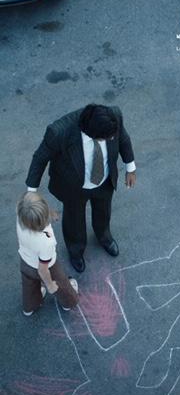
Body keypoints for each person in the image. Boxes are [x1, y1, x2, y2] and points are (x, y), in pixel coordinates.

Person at [26, 104, 137, 272]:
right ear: (91, 134)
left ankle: (103, 236)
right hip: (73, 185)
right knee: (74, 219)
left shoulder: (113, 116)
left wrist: (130, 168)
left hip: (104, 180)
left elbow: (123, 138)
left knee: (103, 211)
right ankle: (76, 250)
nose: (111, 139)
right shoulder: (59, 132)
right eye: (106, 138)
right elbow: (39, 158)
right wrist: (32, 193)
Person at [17, 192, 79, 317]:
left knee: (29, 285)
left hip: (26, 261)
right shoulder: (46, 241)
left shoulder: (21, 219)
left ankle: (29, 307)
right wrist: (50, 285)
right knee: (61, 284)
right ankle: (68, 302)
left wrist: (48, 214)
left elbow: (31, 212)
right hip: (47, 267)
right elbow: (42, 270)